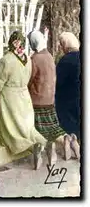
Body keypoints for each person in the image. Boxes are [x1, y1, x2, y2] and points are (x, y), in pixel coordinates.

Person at [0, 31, 47, 169]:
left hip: (10, 97)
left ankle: (31, 147)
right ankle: (42, 141)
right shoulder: (27, 58)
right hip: (24, 95)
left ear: (11, 41)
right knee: (27, 127)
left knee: (12, 129)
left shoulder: (6, 60)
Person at [27, 30, 79, 164]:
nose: (60, 47)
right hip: (64, 97)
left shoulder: (35, 59)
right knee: (53, 125)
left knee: (40, 127)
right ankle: (69, 139)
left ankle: (47, 144)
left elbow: (33, 79)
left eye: (61, 45)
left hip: (47, 99)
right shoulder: (49, 56)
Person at [55, 32, 80, 151]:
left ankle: (70, 142)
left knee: (69, 125)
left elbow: (57, 81)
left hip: (67, 99)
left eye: (61, 44)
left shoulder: (65, 61)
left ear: (65, 45)